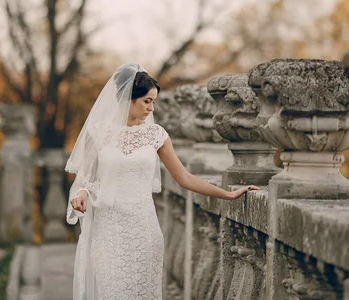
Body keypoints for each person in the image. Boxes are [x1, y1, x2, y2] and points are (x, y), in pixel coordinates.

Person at [66, 63, 259, 300]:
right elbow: (87, 177)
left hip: (144, 230)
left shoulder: (156, 135)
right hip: (109, 230)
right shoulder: (99, 132)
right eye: (146, 101)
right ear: (128, 98)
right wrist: (82, 193)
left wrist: (228, 194)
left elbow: (185, 178)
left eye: (154, 102)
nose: (151, 107)